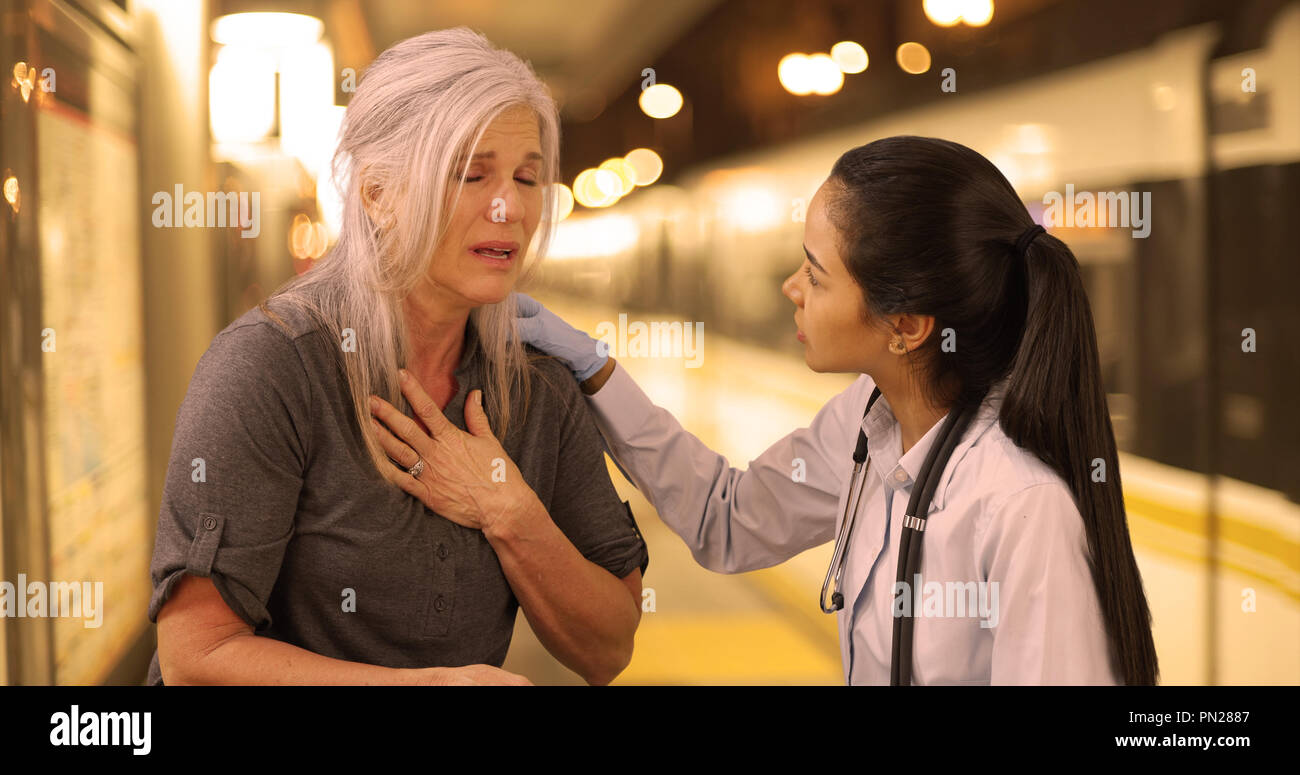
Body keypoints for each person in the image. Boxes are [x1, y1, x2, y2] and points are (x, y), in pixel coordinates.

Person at [514, 135, 1159, 685]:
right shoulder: (867, 420)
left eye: (816, 275)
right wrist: (596, 369)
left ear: (904, 324)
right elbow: (729, 520)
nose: (790, 289)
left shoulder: (1020, 506)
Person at [146, 28, 648, 687]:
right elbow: (195, 656)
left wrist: (508, 508)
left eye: (528, 176)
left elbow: (609, 645)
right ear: (377, 193)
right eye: (471, 173)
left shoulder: (536, 384)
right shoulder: (271, 368)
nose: (512, 205)